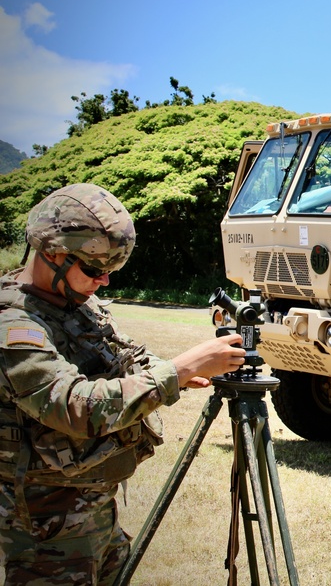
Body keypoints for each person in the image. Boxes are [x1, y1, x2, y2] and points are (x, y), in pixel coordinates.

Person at [0, 183, 246, 585]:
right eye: (95, 269)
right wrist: (178, 371)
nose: (105, 282)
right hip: (44, 533)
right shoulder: (14, 325)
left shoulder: (75, 305)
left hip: (95, 514)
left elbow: (122, 358)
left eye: (112, 271)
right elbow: (75, 406)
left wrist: (173, 369)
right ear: (51, 253)